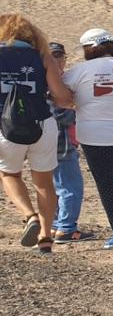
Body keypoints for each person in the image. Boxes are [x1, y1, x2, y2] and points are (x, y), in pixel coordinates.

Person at [63, 28, 113, 248]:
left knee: (107, 185)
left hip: (95, 137)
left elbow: (60, 92)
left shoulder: (79, 71)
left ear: (88, 49)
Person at [0, 16, 73, 253]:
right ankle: (45, 235)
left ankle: (30, 215)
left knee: (10, 174)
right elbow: (62, 96)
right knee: (44, 183)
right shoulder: (42, 57)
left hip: (6, 127)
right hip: (42, 124)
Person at [48, 42, 94, 244]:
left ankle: (57, 224)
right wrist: (74, 107)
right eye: (54, 57)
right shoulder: (53, 84)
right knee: (70, 187)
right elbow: (60, 117)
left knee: (56, 186)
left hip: (46, 144)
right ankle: (66, 228)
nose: (59, 61)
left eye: (61, 56)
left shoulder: (45, 81)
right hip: (61, 143)